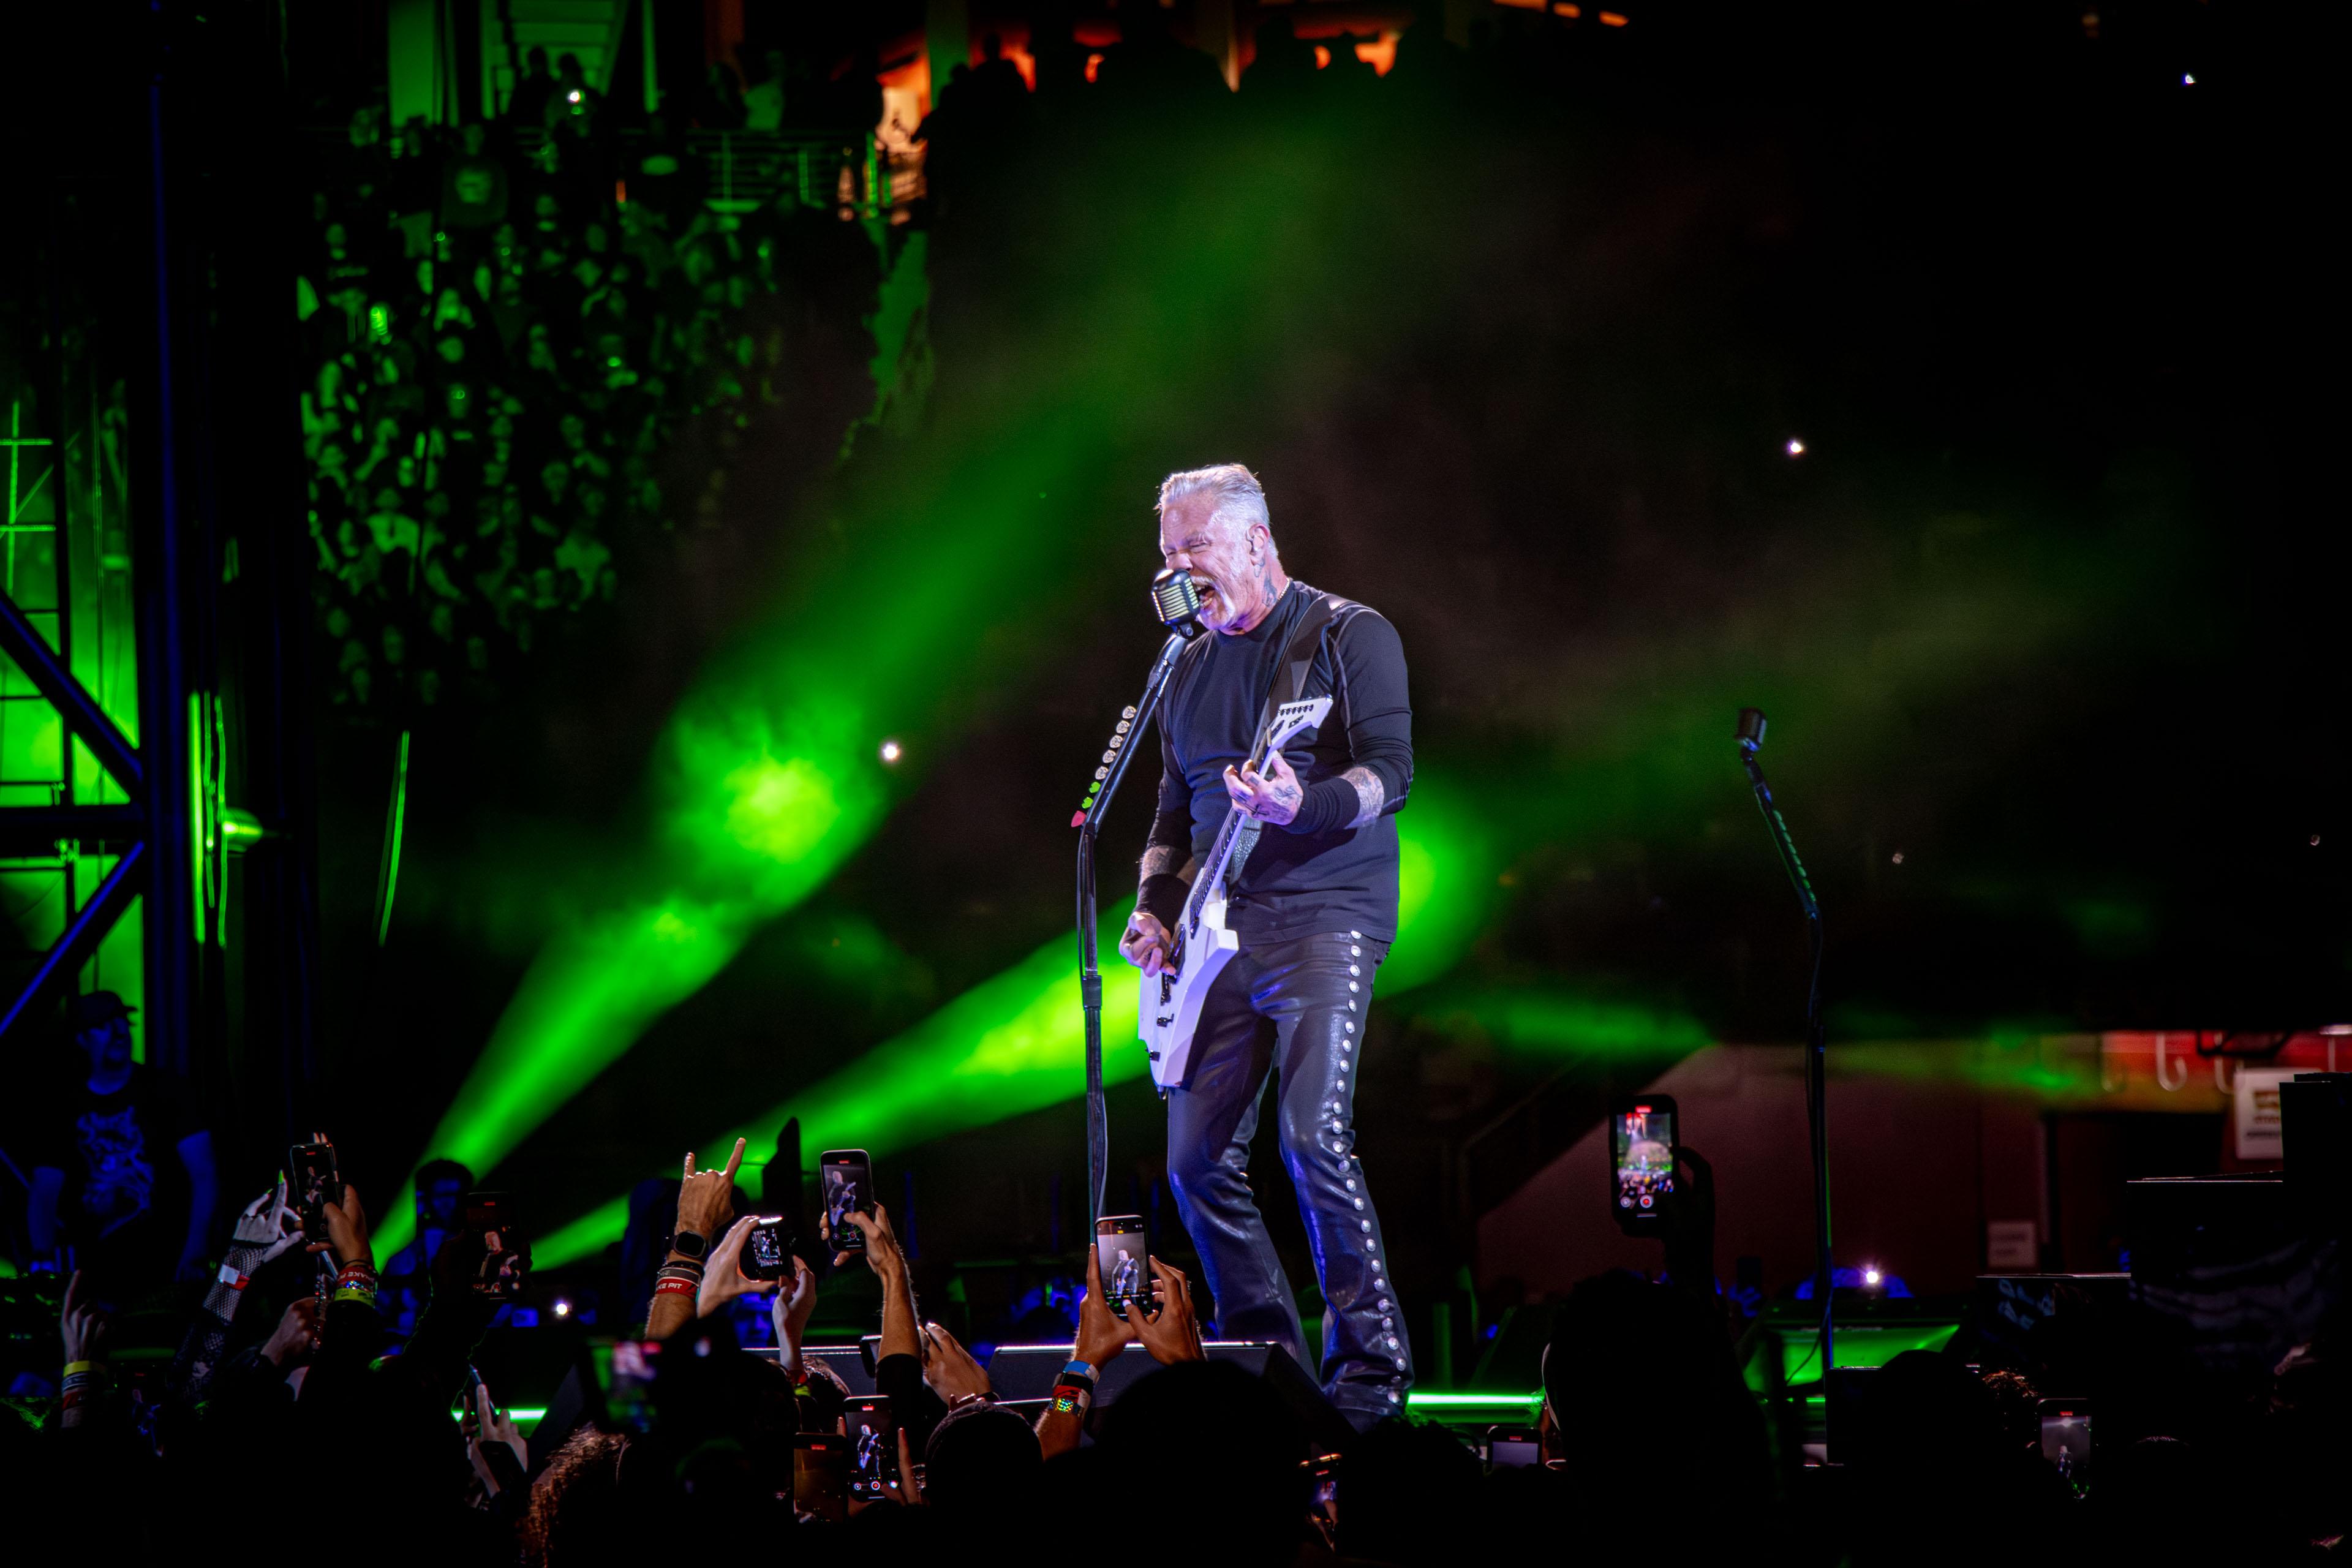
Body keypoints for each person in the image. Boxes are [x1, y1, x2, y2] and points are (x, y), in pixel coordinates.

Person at [1117, 464, 1415, 1427]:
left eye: (1195, 547)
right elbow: (1173, 811)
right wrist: (1155, 908)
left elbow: (1391, 776)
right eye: (1169, 552)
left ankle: (1370, 1383)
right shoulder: (1185, 666)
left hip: (1326, 914)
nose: (1180, 569)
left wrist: (1301, 803)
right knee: (1196, 1163)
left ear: (1256, 541)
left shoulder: (1346, 634)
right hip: (1217, 935)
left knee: (1311, 1135)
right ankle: (1273, 1375)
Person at [25, 991, 217, 1305]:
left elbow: (204, 1175)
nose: (117, 1033)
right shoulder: (63, 1107)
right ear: (83, 1039)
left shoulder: (167, 1091)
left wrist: (196, 1251)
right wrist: (42, 1258)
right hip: (94, 1276)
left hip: (166, 1270)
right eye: (103, 1025)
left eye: (121, 1022)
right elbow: (44, 1190)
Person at [377, 1157, 475, 1332]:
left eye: (457, 1196)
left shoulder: (482, 1251)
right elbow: (381, 1313)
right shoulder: (403, 1261)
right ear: (425, 1199)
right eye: (442, 1196)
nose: (451, 1204)